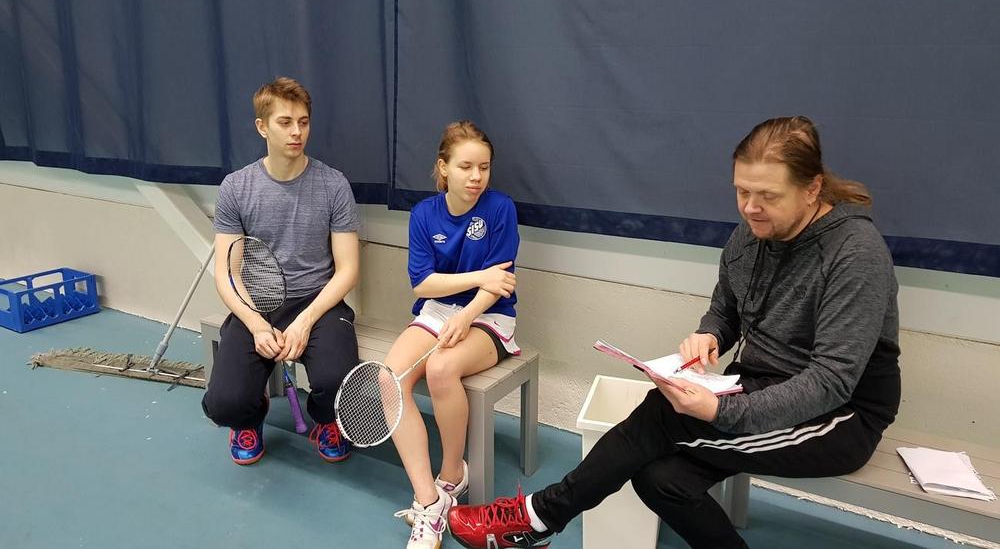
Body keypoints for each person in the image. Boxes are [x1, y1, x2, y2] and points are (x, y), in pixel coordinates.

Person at [448, 116, 901, 548]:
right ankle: (538, 520)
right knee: (661, 479)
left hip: (840, 417)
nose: (750, 207)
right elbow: (725, 311)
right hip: (760, 384)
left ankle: (538, 517)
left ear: (812, 188)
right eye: (741, 191)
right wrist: (710, 336)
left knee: (662, 415)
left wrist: (721, 411)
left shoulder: (855, 253)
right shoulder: (751, 234)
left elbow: (831, 381)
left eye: (768, 195)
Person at [202, 77, 361, 465]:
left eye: (303, 122)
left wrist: (305, 322)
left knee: (338, 385)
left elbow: (347, 270)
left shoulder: (334, 184)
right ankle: (249, 417)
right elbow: (227, 272)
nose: (296, 132)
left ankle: (326, 420)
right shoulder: (236, 187)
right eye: (285, 122)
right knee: (224, 404)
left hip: (319, 304)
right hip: (258, 304)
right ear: (262, 127)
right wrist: (257, 325)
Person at [386, 121, 521, 549]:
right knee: (389, 381)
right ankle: (429, 501)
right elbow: (423, 284)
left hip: (490, 315)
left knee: (442, 369)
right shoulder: (424, 214)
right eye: (465, 167)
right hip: (437, 310)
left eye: (484, 167)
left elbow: (500, 284)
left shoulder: (500, 209)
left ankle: (451, 476)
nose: (476, 176)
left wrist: (468, 316)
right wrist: (477, 278)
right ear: (444, 168)